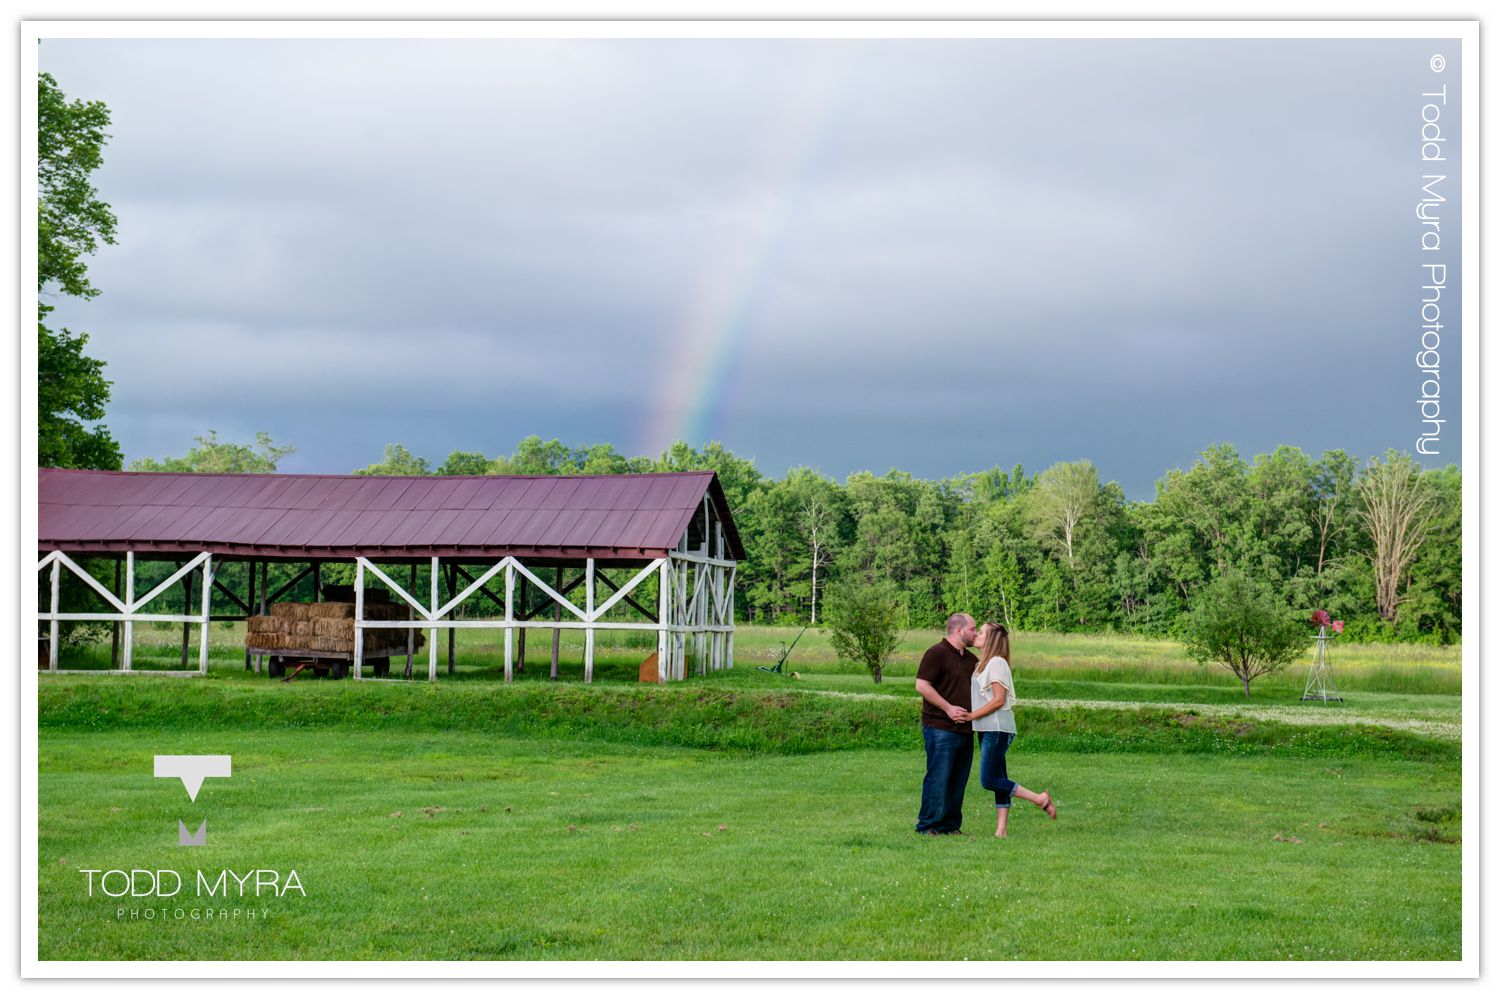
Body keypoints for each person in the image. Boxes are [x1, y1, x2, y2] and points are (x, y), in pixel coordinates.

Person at [964, 621, 1057, 837]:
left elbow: (998, 700)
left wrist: (971, 716)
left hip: (997, 728)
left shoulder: (997, 663)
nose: (977, 634)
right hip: (987, 728)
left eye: (981, 632)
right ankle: (1001, 830)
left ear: (992, 639)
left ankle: (1039, 798)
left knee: (989, 779)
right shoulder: (983, 663)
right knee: (999, 776)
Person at [914, 613, 979, 834]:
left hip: (965, 729)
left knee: (958, 779)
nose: (976, 633)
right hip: (940, 727)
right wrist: (948, 708)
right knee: (938, 777)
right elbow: (922, 685)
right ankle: (928, 825)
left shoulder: (972, 660)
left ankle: (950, 826)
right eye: (973, 629)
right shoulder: (936, 653)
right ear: (959, 630)